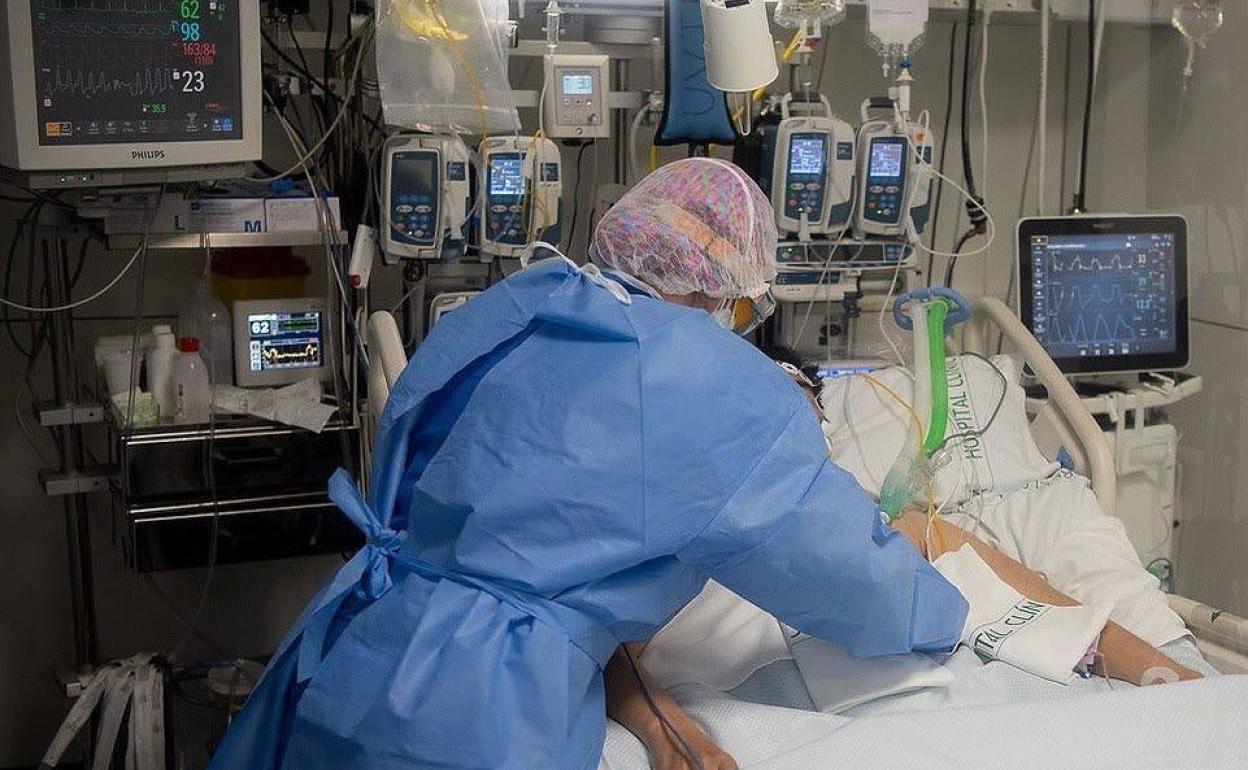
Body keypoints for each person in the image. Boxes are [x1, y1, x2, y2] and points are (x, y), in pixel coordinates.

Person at [206, 158, 968, 770]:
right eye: (744, 304)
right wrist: (946, 614)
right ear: (723, 288)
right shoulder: (712, 383)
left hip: (360, 645)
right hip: (479, 712)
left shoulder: (521, 303)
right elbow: (842, 570)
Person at [604, 368, 1201, 770]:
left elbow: (1061, 618)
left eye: (808, 411)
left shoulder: (905, 529)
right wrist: (671, 738)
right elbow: (607, 658)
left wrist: (1179, 683)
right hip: (825, 729)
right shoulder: (675, 552)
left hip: (994, 712)